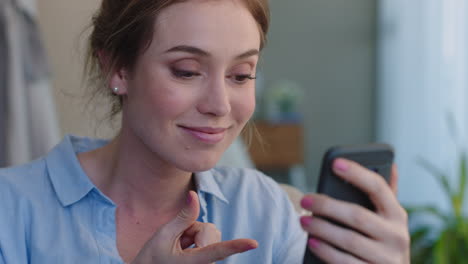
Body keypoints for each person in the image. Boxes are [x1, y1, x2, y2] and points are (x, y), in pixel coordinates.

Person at [0, 0, 410, 263]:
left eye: (241, 75)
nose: (220, 105)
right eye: (187, 71)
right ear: (117, 69)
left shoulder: (266, 210)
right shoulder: (12, 211)